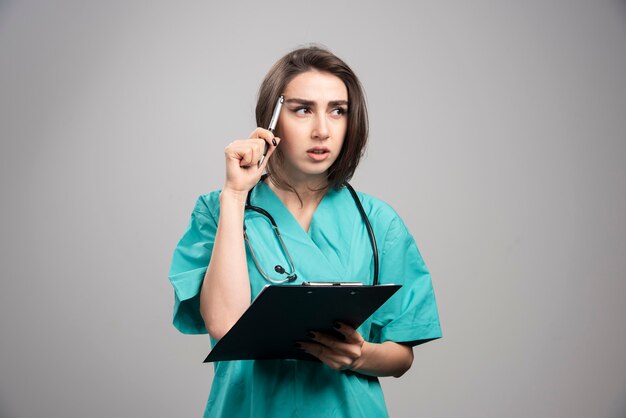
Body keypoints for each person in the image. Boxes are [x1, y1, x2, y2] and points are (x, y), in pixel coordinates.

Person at [168, 46, 441, 418]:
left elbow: (401, 355)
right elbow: (225, 325)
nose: (322, 130)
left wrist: (359, 355)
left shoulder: (379, 222)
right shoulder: (219, 211)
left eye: (337, 111)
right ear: (273, 120)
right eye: (302, 109)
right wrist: (235, 195)